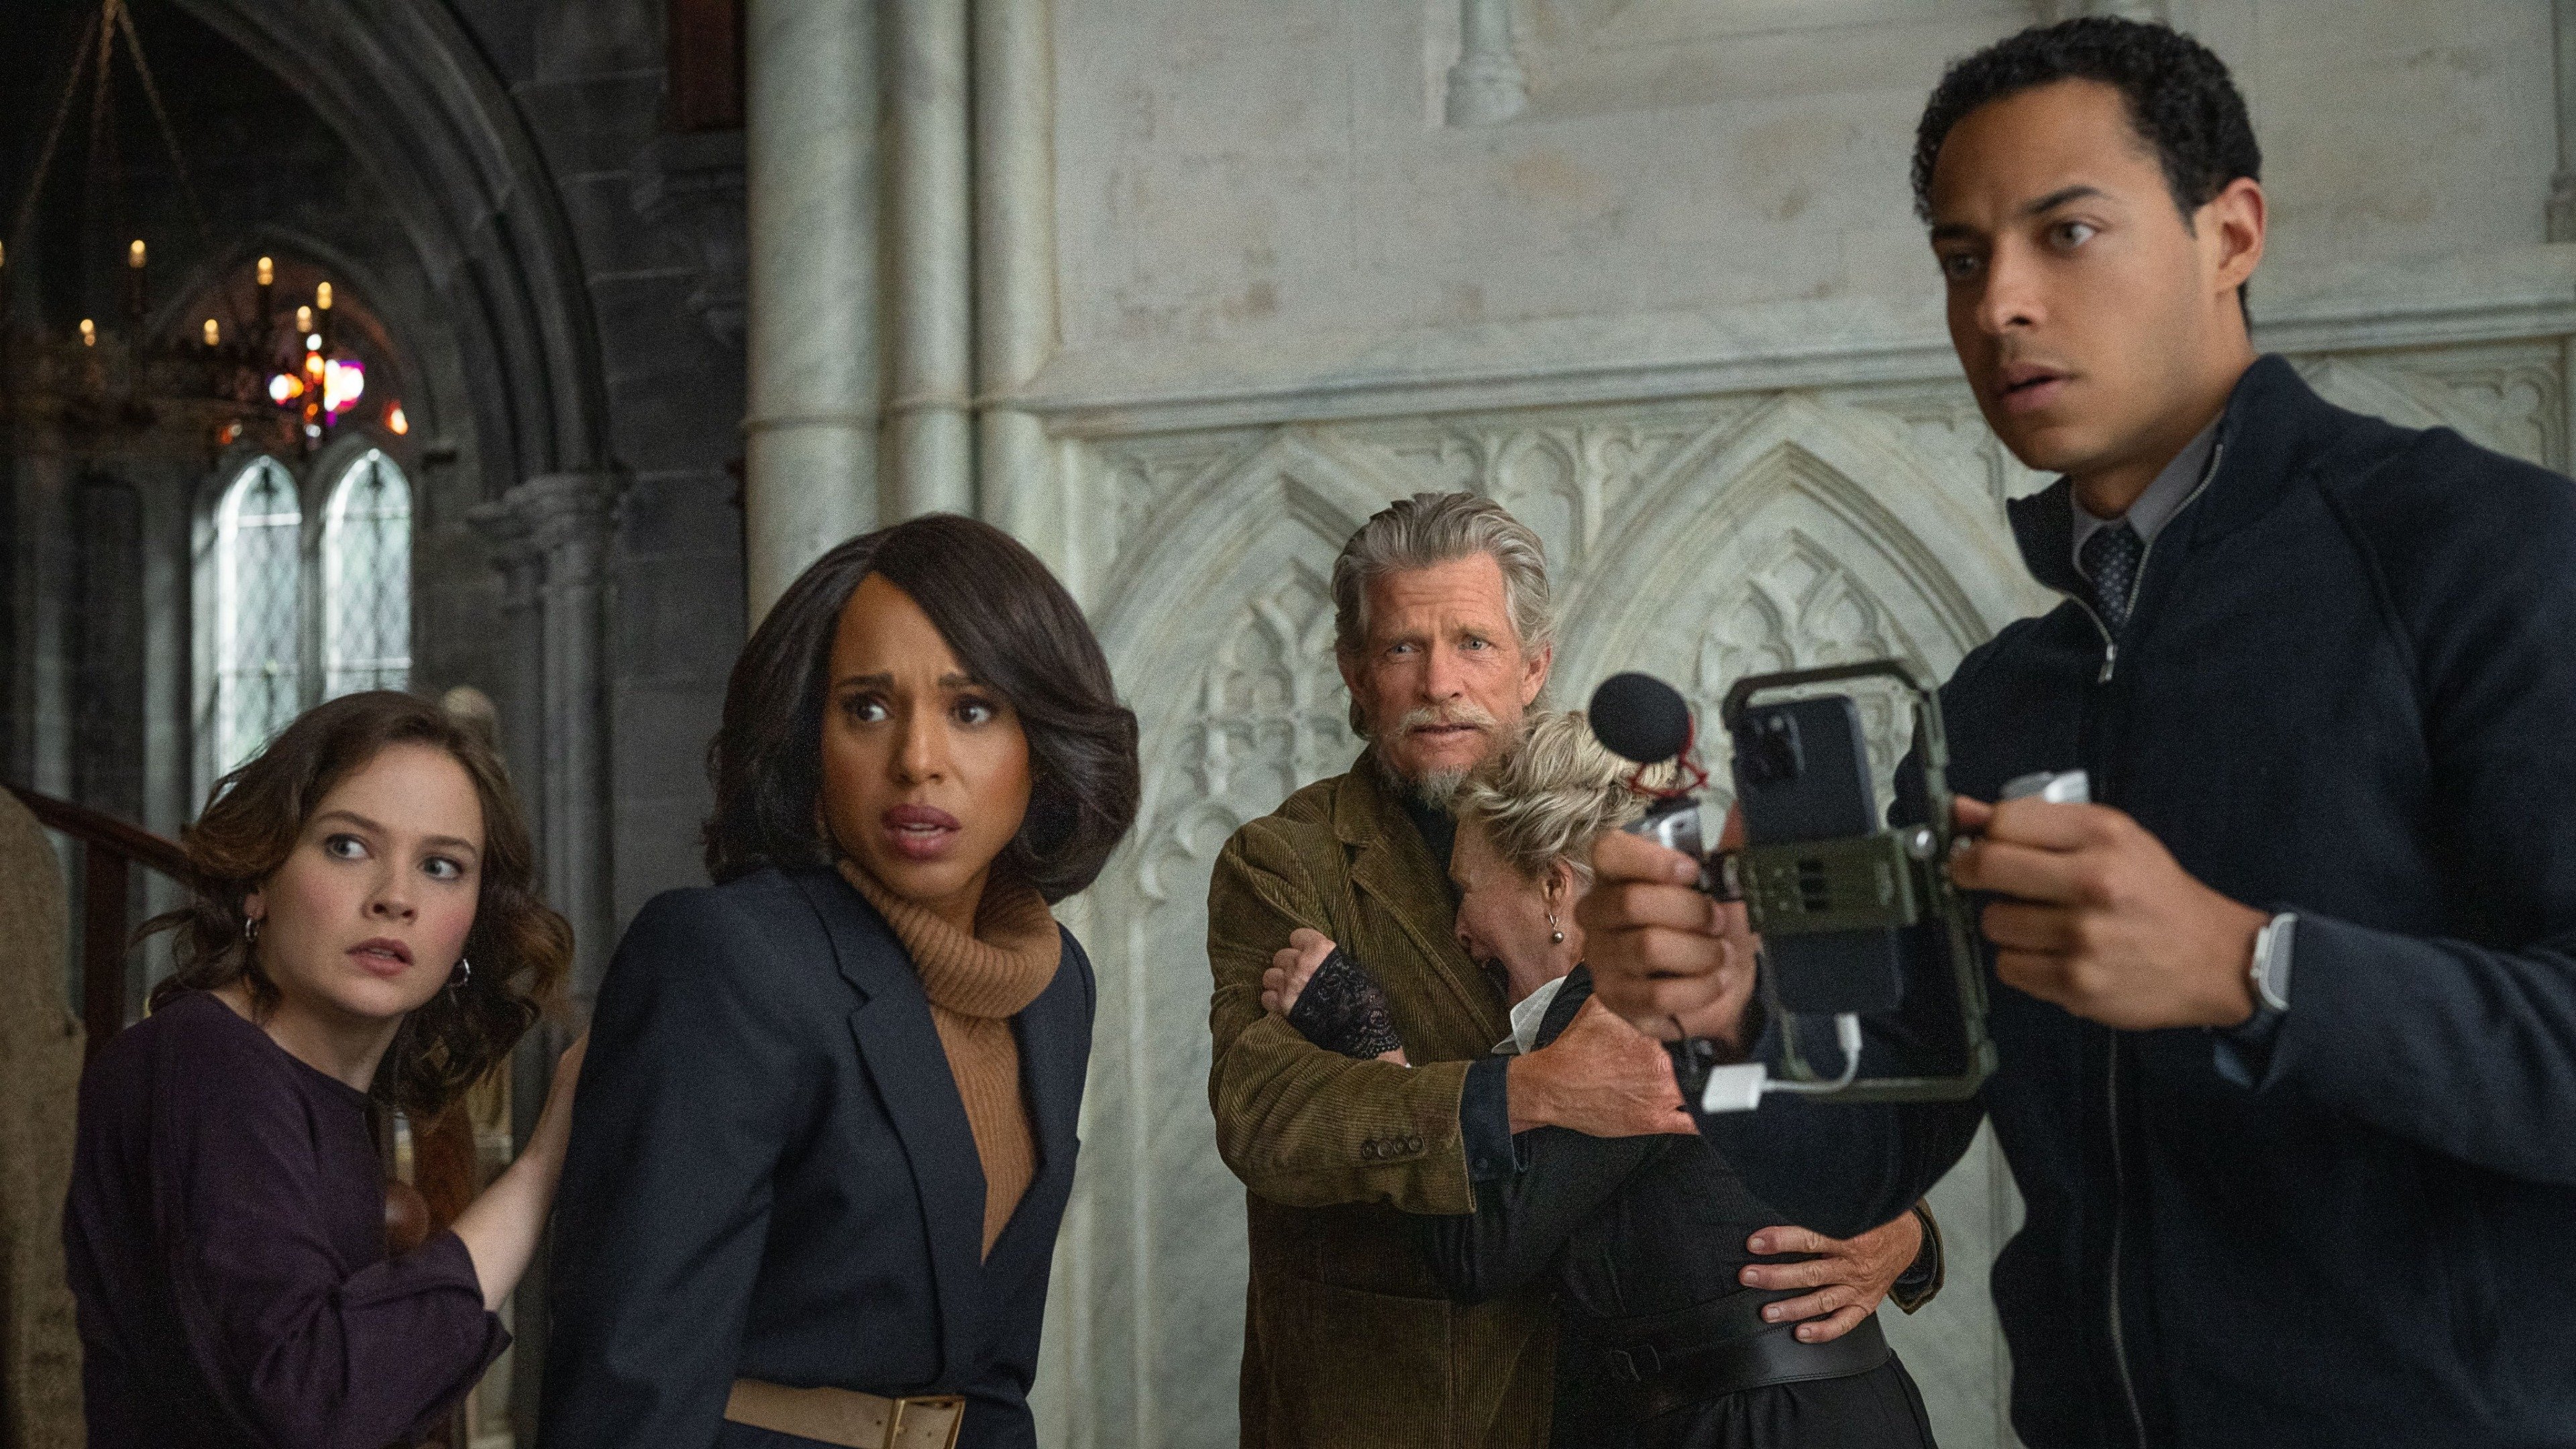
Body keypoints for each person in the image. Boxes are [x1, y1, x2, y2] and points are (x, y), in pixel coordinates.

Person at [1582, 17, 2576, 1449]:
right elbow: (1863, 1160)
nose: (2001, 304)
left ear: (2231, 232)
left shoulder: (2487, 556)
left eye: (2068, 233)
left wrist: (2252, 969)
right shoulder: (1999, 703)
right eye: (1961, 257)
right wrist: (1731, 1014)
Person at [1206, 492, 1931, 1449]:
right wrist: (1527, 1092)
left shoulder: (1634, 814)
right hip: (1411, 1407)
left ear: (1534, 666)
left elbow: (1793, 1047)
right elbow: (1264, 1117)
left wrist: (1901, 1224)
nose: (1440, 683)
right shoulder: (1285, 862)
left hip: (1652, 1411)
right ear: (1353, 670)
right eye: (1401, 647)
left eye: (1473, 642)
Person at [539, 514, 1140, 1448]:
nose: (918, 761)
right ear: (806, 741)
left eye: (971, 709)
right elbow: (628, 1383)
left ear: (1043, 742)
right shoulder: (725, 959)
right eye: (867, 708)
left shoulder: (1057, 989)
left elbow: (987, 1379)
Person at [1268, 712, 1941, 1449]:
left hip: (1758, 1428)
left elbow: (1476, 1253)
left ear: (1553, 888)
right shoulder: (1705, 966)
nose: (1459, 928)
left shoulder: (1622, 1004)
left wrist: (1370, 1041)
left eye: (1468, 888)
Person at [63, 690, 580, 1449]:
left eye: (441, 866)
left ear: (475, 921)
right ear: (258, 880)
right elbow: (313, 1403)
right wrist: (542, 1168)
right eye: (348, 846)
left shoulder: (310, 1088)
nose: (395, 898)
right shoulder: (207, 1061)